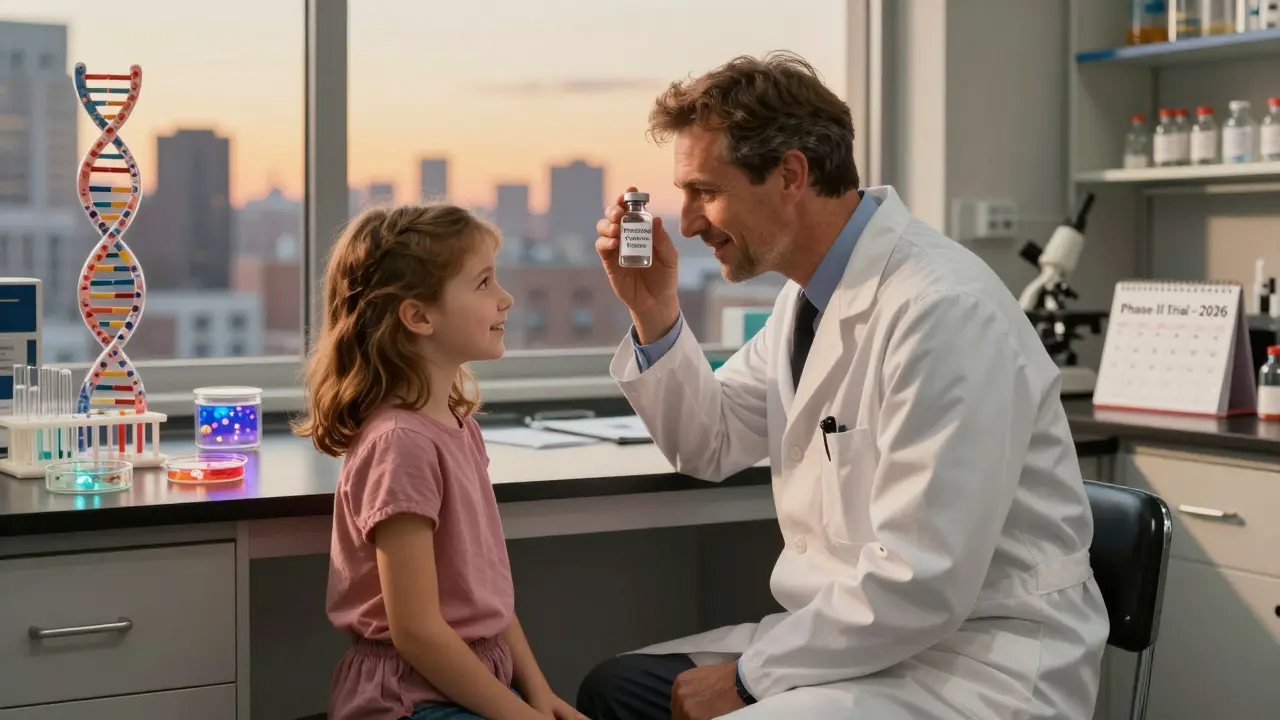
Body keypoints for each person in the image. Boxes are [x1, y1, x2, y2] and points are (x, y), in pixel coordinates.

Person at [576, 52, 1109, 720]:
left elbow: (924, 577)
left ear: (791, 174)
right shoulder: (807, 302)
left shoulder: (941, 309)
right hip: (858, 643)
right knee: (616, 689)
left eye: (705, 192)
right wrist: (653, 312)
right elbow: (707, 442)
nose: (686, 223)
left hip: (976, 662)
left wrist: (746, 679)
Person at [294, 205, 585, 720]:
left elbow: (488, 602)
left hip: (458, 688)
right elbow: (418, 633)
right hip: (406, 701)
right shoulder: (401, 445)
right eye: (483, 283)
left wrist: (540, 694)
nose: (506, 298)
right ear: (419, 316)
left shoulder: (457, 428)